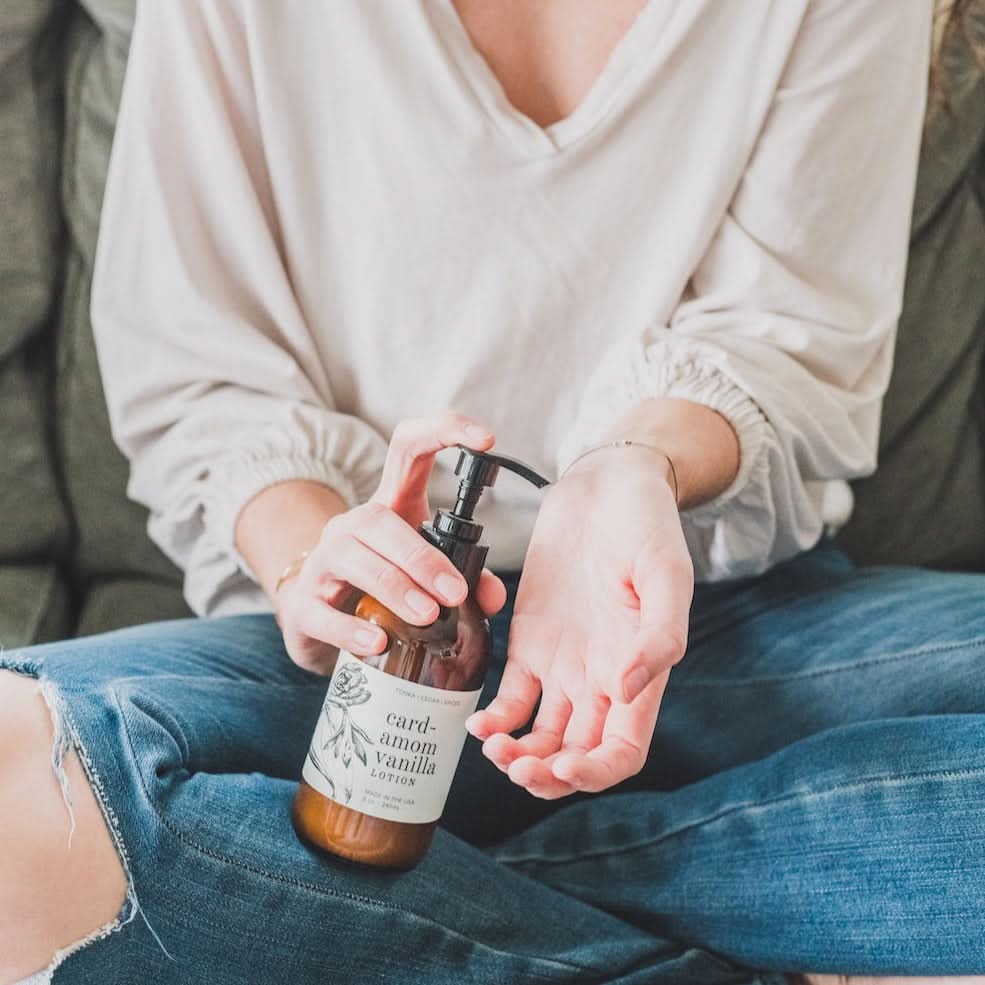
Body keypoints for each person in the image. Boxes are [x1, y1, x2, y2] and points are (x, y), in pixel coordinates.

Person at [2, 1, 982, 982]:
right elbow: (195, 371)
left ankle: (444, 891)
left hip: (704, 622)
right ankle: (776, 931)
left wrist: (630, 469)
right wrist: (316, 559)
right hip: (352, 663)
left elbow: (785, 338)